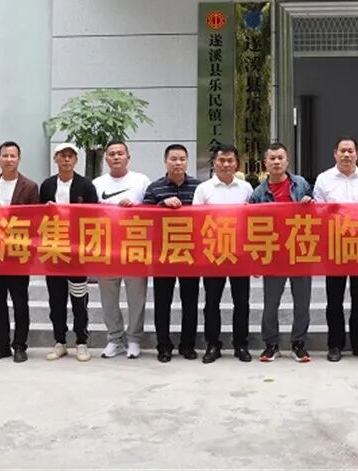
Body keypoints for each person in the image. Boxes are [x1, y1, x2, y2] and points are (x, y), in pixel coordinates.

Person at [313, 137, 358, 362]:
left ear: (357, 154)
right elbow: (318, 210)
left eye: (350, 151)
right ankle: (335, 345)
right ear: (335, 153)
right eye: (342, 151)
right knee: (334, 298)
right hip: (335, 243)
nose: (346, 155)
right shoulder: (323, 179)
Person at [249, 142, 314, 363]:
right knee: (271, 304)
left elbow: (318, 214)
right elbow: (252, 228)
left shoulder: (301, 184)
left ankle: (298, 344)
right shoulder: (258, 193)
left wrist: (310, 202)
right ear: (265, 163)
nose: (276, 162)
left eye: (280, 158)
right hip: (273, 253)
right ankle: (271, 344)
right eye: (272, 158)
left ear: (287, 161)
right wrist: (256, 259)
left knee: (302, 303)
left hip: (300, 250)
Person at [193, 144, 254, 363]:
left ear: (237, 163)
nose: (226, 164)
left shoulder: (247, 188)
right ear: (214, 163)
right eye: (221, 160)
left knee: (242, 302)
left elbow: (254, 221)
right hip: (213, 253)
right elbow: (196, 221)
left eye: (230, 160)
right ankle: (212, 344)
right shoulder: (203, 189)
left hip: (240, 254)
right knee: (212, 302)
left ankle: (241, 344)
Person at [92, 140, 152, 360]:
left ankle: (134, 339)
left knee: (136, 297)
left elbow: (152, 209)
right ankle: (115, 339)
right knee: (108, 298)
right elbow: (88, 213)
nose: (116, 157)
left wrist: (135, 207)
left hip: (134, 247)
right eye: (112, 154)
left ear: (128, 157)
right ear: (106, 158)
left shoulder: (141, 180)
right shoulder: (97, 183)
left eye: (120, 153)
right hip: (106, 248)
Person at [39, 143, 98, 363]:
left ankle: (81, 342)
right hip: (53, 251)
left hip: (77, 252)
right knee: (56, 300)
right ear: (55, 159)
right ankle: (59, 342)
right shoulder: (47, 185)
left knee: (79, 299)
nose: (66, 160)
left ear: (76, 160)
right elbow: (37, 217)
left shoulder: (85, 185)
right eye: (62, 156)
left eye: (70, 156)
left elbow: (95, 216)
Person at [143, 144, 201, 363]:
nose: (178, 163)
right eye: (173, 159)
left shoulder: (198, 187)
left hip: (190, 252)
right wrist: (161, 204)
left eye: (182, 159)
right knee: (162, 302)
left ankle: (188, 345)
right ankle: (163, 346)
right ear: (165, 161)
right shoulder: (154, 188)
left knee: (190, 301)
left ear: (187, 161)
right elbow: (143, 218)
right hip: (163, 253)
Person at [0, 141, 40, 363]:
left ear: (19, 159)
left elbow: (35, 220)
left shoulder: (30, 186)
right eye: (5, 156)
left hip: (18, 252)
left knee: (19, 301)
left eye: (12, 156)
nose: (9, 160)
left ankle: (20, 345)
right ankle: (1, 345)